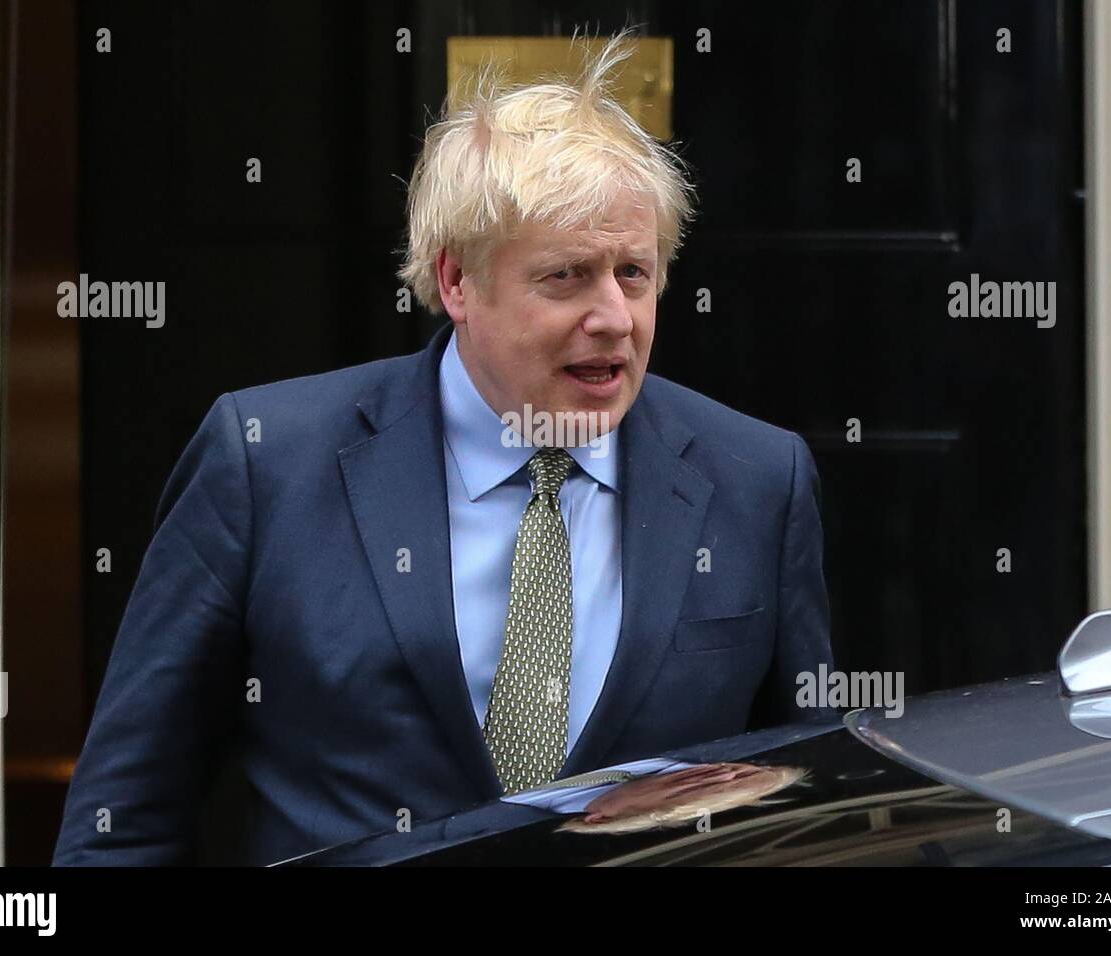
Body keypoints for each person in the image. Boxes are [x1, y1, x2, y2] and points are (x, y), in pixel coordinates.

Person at [53, 31, 833, 866]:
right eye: (566, 276)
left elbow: (821, 797)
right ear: (458, 281)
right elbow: (124, 820)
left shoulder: (758, 477)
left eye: (634, 274)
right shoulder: (264, 462)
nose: (614, 316)